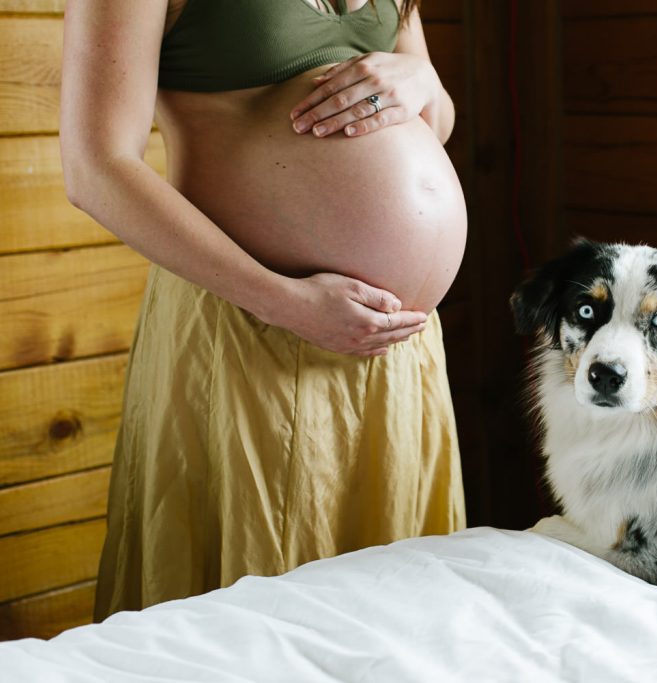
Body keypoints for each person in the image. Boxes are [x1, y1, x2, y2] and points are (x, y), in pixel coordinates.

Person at [60, 0, 468, 620]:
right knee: (261, 616)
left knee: (396, 609)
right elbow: (95, 166)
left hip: (395, 353)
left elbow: (432, 120)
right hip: (253, 324)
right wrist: (285, 302)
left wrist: (423, 81)